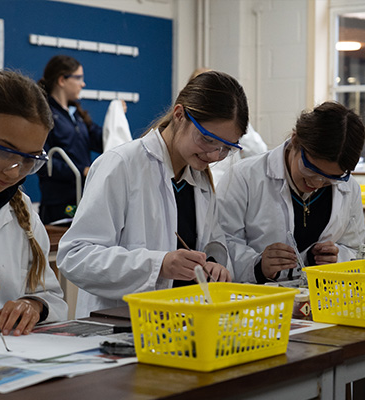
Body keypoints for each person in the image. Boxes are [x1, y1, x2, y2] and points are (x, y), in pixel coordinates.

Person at [57, 71, 248, 317]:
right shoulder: (121, 165)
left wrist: (214, 265)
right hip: (120, 324)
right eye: (207, 139)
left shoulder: (200, 179)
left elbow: (212, 244)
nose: (214, 155)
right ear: (179, 115)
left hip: (185, 322)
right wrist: (158, 265)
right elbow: (75, 257)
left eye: (225, 148)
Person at [0, 70, 68, 334]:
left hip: (4, 354)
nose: (13, 173)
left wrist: (33, 305)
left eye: (29, 159)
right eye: (2, 151)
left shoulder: (21, 210)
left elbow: (51, 295)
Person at [217, 101, 365, 283]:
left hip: (321, 295)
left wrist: (336, 257)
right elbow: (222, 245)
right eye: (311, 170)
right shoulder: (244, 177)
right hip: (258, 295)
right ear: (295, 140)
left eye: (330, 179)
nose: (317, 183)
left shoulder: (348, 188)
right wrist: (258, 265)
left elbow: (355, 249)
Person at [37, 55, 104, 225]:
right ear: (62, 80)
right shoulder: (44, 114)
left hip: (83, 196)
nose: (83, 84)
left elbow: (103, 140)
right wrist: (81, 170)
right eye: (79, 78)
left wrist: (116, 116)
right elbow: (41, 161)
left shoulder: (77, 115)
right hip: (59, 203)